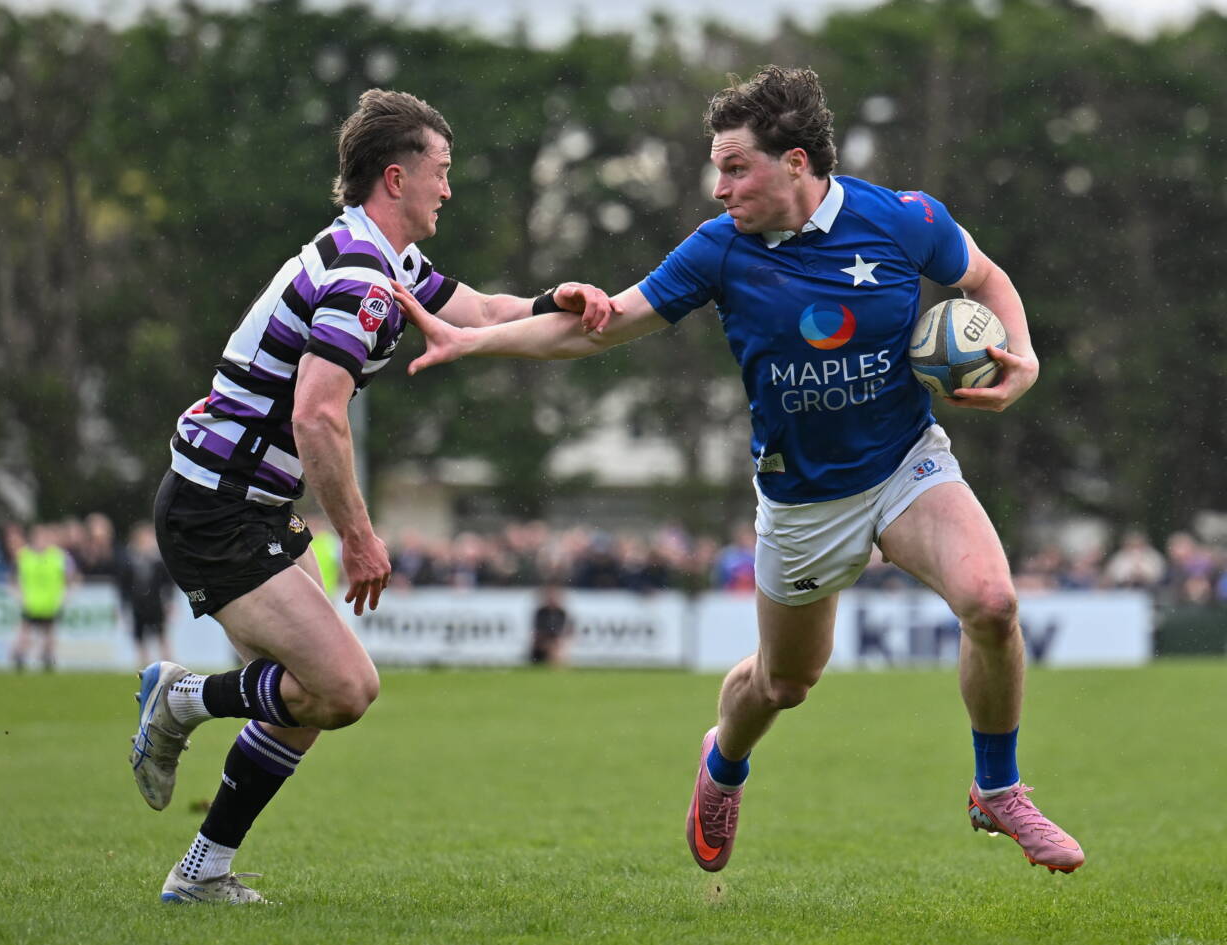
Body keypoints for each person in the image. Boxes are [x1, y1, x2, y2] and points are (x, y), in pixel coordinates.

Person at [397, 66, 1084, 875]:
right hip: (802, 500)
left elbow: (987, 277)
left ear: (796, 162)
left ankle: (996, 790)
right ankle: (723, 762)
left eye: (735, 167)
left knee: (994, 602)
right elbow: (600, 330)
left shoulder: (901, 219)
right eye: (716, 168)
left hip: (907, 464)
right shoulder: (718, 249)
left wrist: (1025, 354)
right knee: (785, 682)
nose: (718, 187)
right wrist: (473, 339)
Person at [132, 88, 613, 905]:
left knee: (307, 701)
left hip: (244, 506)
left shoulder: (385, 261)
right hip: (217, 509)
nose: (449, 190)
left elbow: (485, 314)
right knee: (346, 686)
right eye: (442, 173)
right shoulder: (359, 275)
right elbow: (317, 415)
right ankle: (178, 697)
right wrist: (357, 537)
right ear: (396, 178)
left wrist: (554, 302)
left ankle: (202, 871)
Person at [10, 523, 77, 672]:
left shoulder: (59, 556)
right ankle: (19, 657)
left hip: (50, 602)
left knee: (49, 634)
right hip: (31, 602)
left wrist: (65, 595)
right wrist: (19, 595)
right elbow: (14, 578)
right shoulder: (24, 555)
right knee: (25, 633)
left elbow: (71, 577)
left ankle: (47, 659)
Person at [116, 521, 176, 668]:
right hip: (138, 604)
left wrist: (169, 601)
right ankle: (144, 665)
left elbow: (168, 584)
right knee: (139, 637)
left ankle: (169, 665)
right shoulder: (130, 560)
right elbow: (123, 585)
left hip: (156, 603)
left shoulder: (159, 561)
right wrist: (124, 605)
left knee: (161, 635)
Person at [529, 584, 571, 666]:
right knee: (552, 647)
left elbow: (561, 630)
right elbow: (539, 631)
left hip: (555, 643)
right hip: (542, 643)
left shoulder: (561, 613)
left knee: (558, 647)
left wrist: (555, 641)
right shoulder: (541, 612)